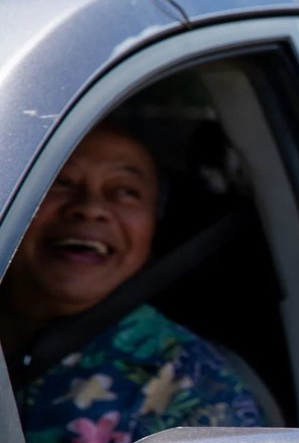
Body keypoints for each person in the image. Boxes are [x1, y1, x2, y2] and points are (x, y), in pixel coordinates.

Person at [0, 121, 263, 442]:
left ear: (154, 225)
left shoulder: (192, 385)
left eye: (126, 192)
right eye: (59, 183)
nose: (91, 209)